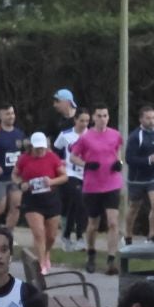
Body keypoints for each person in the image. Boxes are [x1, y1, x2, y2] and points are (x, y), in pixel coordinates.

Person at [78, 103, 126, 275]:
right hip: (92, 186)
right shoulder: (86, 137)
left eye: (105, 115)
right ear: (93, 117)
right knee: (93, 224)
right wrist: (86, 164)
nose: (103, 119)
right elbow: (74, 157)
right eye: (99, 115)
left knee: (113, 222)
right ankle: (91, 253)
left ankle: (111, 260)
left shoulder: (115, 135)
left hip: (112, 183)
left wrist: (118, 164)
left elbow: (117, 152)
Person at [15, 130, 68, 275]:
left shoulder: (52, 158)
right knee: (38, 233)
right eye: (37, 148)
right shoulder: (24, 159)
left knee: (51, 235)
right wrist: (21, 184)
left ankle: (46, 253)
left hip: (51, 198)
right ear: (31, 147)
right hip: (32, 200)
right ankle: (41, 264)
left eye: (42, 148)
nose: (40, 151)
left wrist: (51, 181)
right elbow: (15, 174)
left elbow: (64, 177)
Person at [125, 105, 154, 246]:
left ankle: (151, 236)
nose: (152, 121)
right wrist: (148, 160)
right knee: (134, 207)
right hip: (137, 178)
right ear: (141, 119)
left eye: (153, 118)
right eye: (148, 118)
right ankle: (127, 235)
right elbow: (129, 159)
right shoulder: (135, 136)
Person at [56, 106, 92, 253]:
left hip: (88, 174)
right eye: (82, 120)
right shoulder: (65, 135)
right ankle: (79, 237)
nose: (84, 124)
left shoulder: (92, 135)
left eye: (87, 121)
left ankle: (65, 235)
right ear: (75, 120)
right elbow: (57, 149)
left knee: (75, 205)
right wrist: (60, 163)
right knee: (80, 201)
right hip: (70, 173)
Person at [0, 104, 27, 234]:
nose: (11, 116)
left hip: (15, 178)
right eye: (7, 114)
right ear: (0, 116)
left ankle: (8, 235)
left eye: (12, 113)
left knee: (16, 207)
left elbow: (25, 154)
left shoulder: (20, 133)